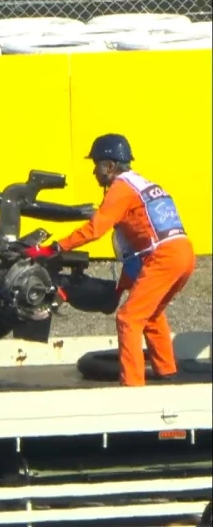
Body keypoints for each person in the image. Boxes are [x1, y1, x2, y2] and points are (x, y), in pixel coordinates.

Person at [26, 133, 194, 387]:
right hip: (182, 253)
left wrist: (56, 247)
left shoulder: (121, 188)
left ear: (110, 166)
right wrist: (120, 286)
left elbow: (95, 228)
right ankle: (166, 369)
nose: (94, 172)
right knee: (151, 312)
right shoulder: (144, 184)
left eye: (96, 165)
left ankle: (132, 386)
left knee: (128, 318)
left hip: (163, 257)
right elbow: (142, 242)